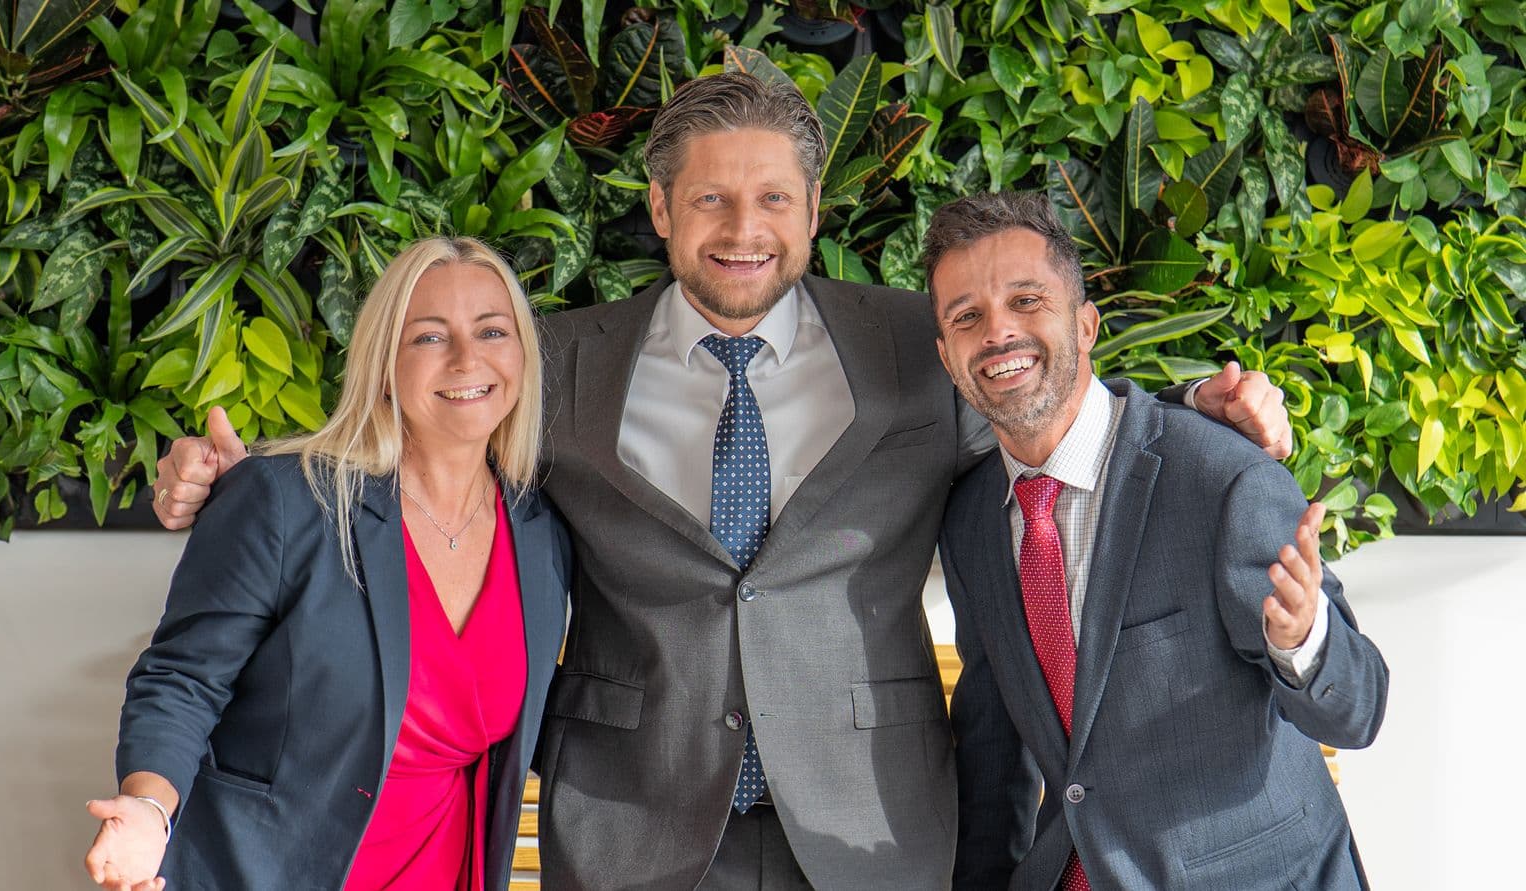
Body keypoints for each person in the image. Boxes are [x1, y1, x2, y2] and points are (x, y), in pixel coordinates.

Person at [150, 74, 1292, 890]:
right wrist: (247, 476)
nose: (743, 231)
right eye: (709, 201)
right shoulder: (563, 358)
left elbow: (1045, 395)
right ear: (660, 211)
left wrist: (1204, 407)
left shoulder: (918, 345)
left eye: (773, 201)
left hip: (868, 824)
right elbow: (431, 426)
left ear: (812, 210)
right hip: (635, 818)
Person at [926, 191, 1389, 890]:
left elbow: (1356, 709)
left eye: (1027, 301)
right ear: (947, 356)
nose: (998, 333)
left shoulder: (1219, 477)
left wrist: (1303, 638)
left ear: (1086, 325)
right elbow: (995, 762)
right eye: (968, 316)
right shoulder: (970, 524)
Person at [84, 237, 570, 891]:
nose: (467, 358)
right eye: (429, 337)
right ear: (384, 360)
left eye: (492, 330)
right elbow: (181, 681)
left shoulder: (541, 533)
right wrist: (148, 809)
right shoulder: (287, 500)